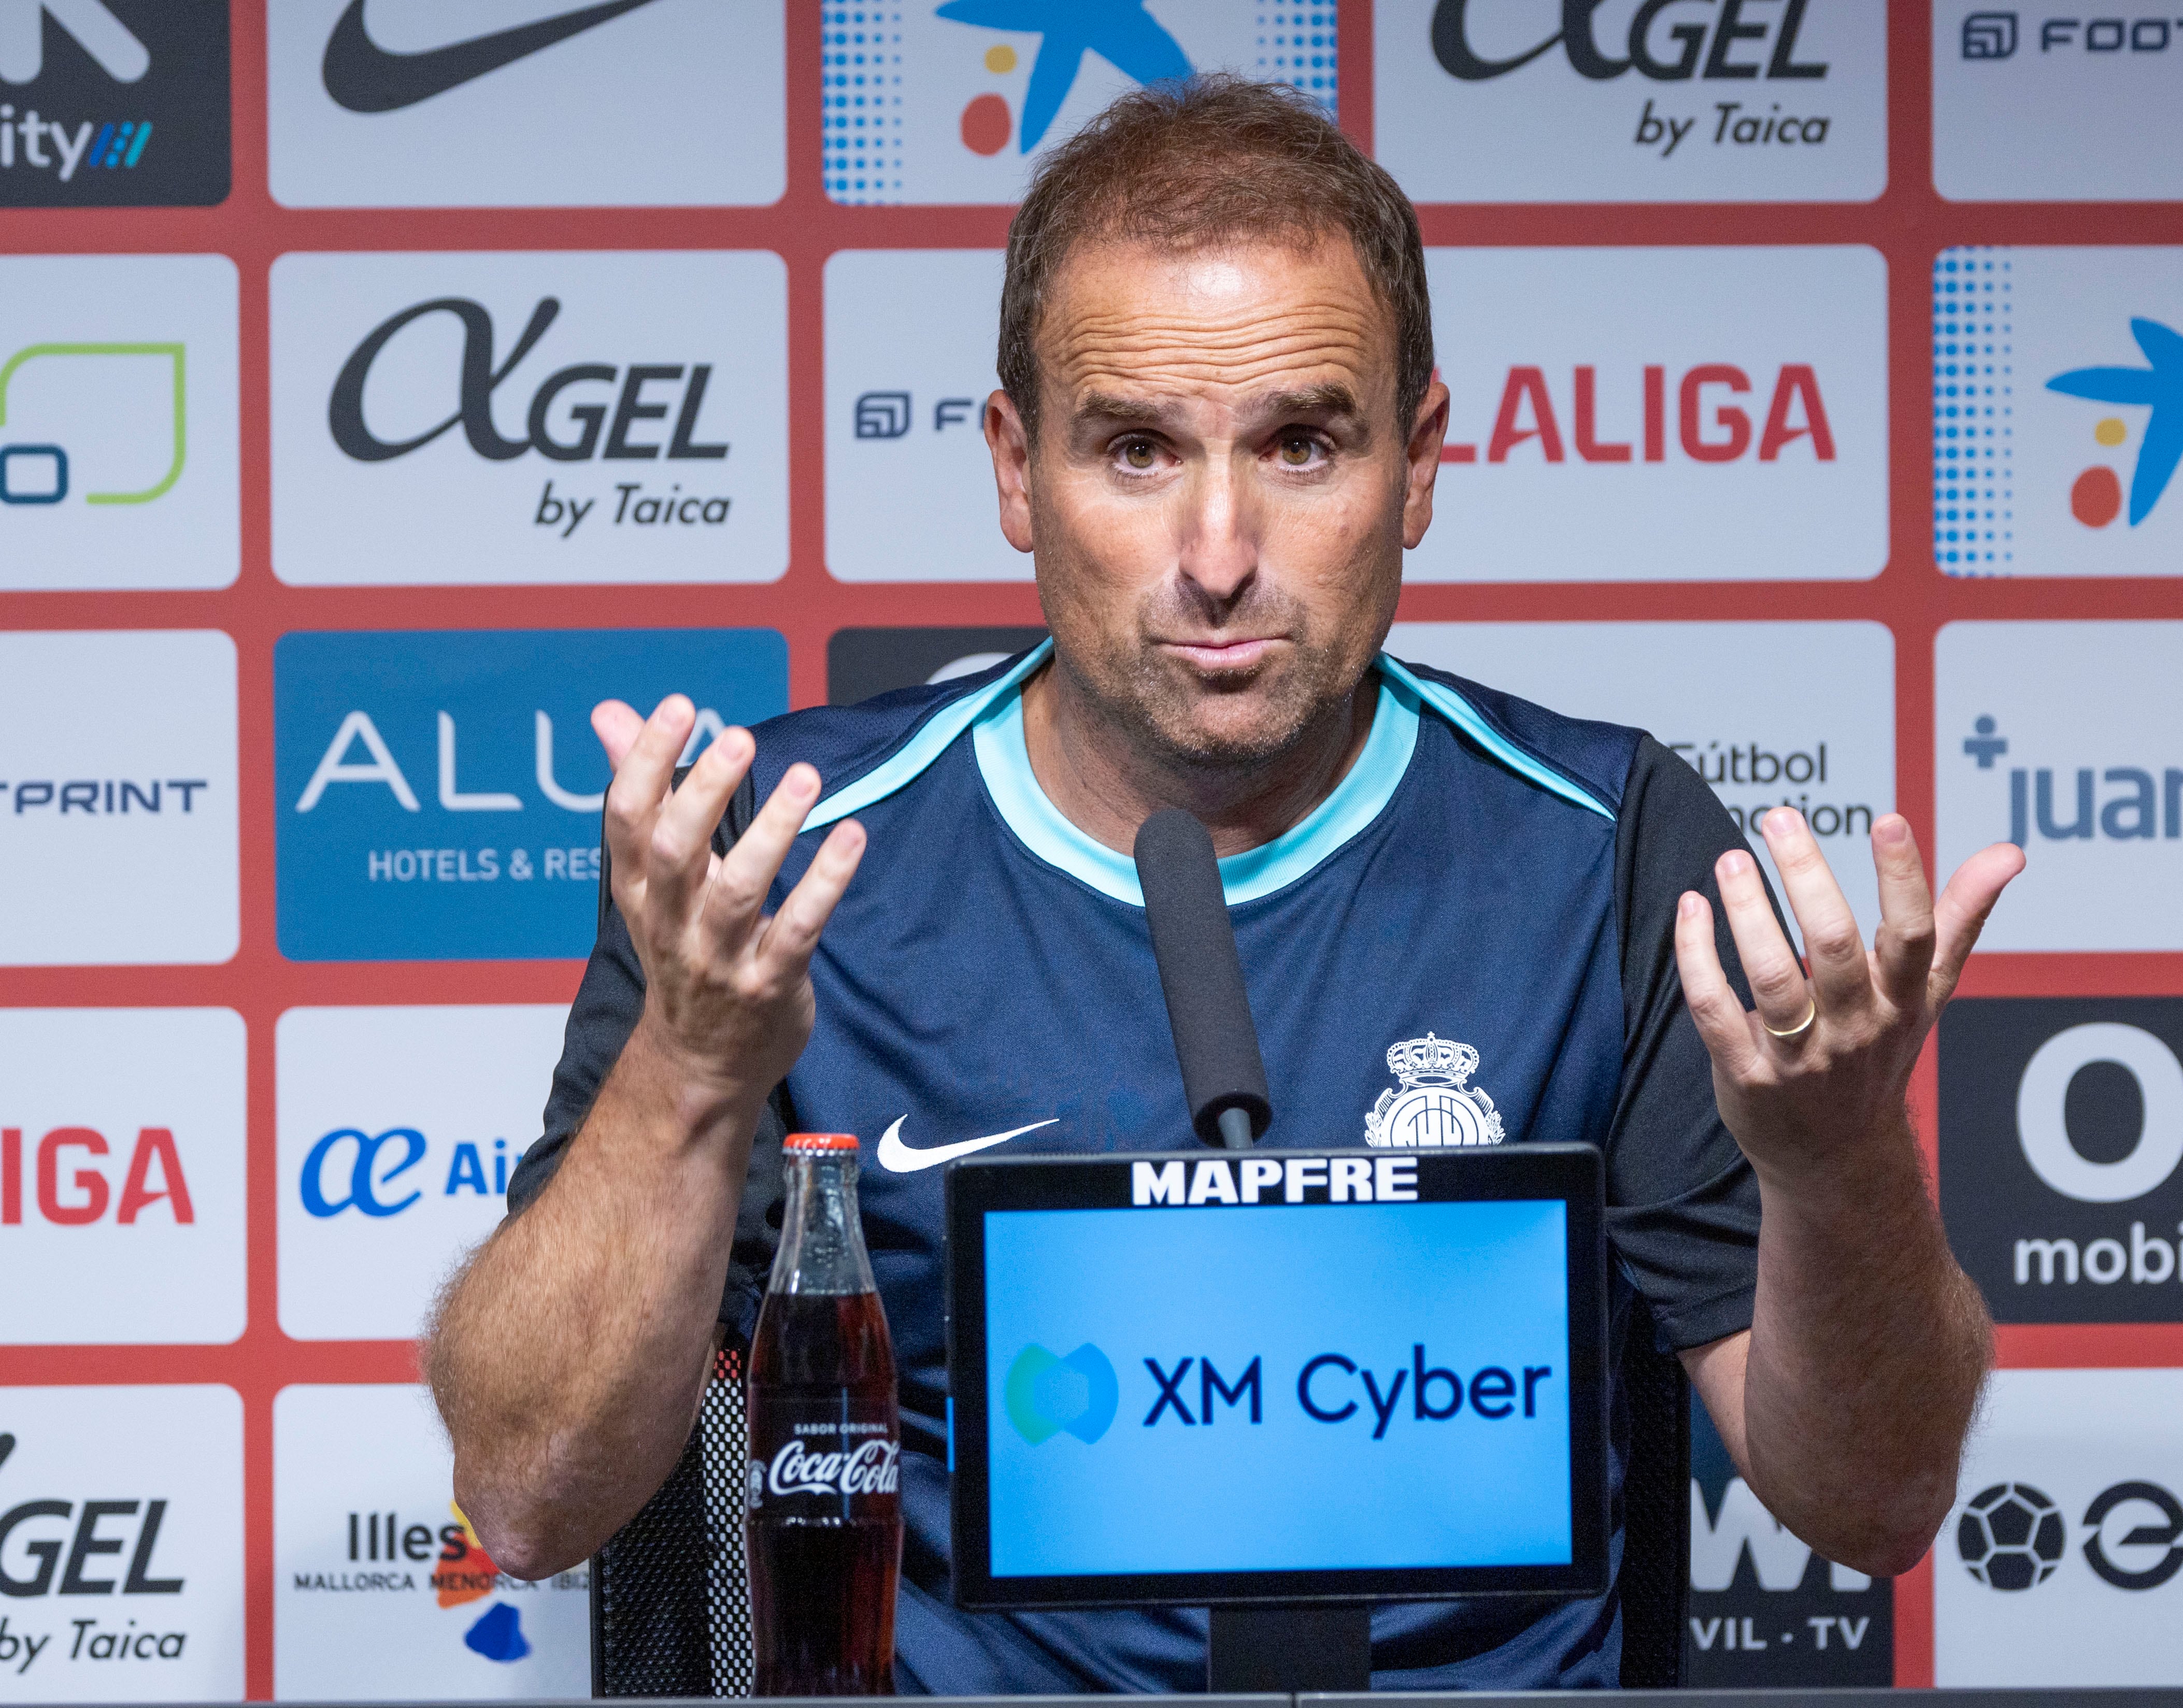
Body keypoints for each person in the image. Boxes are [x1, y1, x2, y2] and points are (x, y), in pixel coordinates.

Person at [424, 75, 2022, 1693]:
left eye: (1302, 443)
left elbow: (1872, 1501)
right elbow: (529, 1497)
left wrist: (1836, 1174)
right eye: (1132, 449)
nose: (1214, 550)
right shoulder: (778, 853)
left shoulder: (1605, 849)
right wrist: (690, 1071)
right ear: (1011, 467)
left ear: (1416, 466)